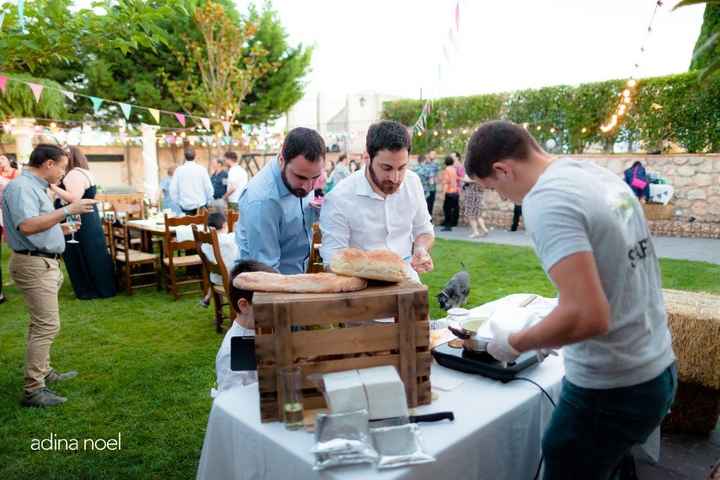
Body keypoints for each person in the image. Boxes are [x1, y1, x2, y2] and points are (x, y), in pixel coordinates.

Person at [464, 121, 676, 479]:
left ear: (503, 169)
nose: (503, 198)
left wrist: (514, 343)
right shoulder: (590, 173)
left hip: (612, 386)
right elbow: (612, 275)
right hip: (656, 366)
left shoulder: (546, 200)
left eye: (495, 189)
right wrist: (551, 326)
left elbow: (588, 316)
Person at [1, 144, 97, 407]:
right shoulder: (22, 187)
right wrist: (67, 210)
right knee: (46, 326)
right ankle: (33, 390)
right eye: (62, 168)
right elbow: (28, 226)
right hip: (33, 264)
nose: (63, 174)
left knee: (40, 324)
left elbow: (39, 223)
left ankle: (42, 372)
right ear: (48, 164)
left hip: (42, 262)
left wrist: (61, 228)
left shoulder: (33, 187)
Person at [320, 120, 434, 283]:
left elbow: (424, 230)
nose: (395, 178)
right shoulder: (339, 198)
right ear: (367, 157)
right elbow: (332, 260)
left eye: (402, 167)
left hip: (407, 278)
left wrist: (421, 249)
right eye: (387, 168)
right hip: (360, 285)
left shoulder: (413, 181)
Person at [235, 127, 325, 274]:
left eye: (315, 177)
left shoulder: (299, 172)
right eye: (301, 178)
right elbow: (267, 273)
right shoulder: (262, 201)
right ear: (282, 160)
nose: (309, 187)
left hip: (295, 277)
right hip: (268, 287)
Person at [51, 146, 116, 300]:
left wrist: (53, 187)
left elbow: (74, 198)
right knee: (93, 252)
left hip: (78, 218)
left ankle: (89, 289)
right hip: (88, 218)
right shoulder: (84, 172)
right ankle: (102, 288)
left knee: (79, 252)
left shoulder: (74, 174)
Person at [215, 260, 277, 393]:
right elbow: (231, 400)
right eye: (269, 302)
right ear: (244, 305)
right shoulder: (236, 349)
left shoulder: (264, 330)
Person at [199, 211, 239, 308]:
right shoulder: (230, 239)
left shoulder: (205, 242)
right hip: (231, 279)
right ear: (225, 225)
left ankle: (207, 297)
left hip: (215, 278)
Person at [170, 147, 213, 215]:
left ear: (185, 156)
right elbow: (209, 188)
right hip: (200, 207)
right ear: (195, 156)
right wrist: (208, 201)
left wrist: (178, 202)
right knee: (201, 225)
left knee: (186, 226)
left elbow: (173, 190)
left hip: (185, 208)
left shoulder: (179, 170)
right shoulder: (201, 169)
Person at [414, 152, 440, 216]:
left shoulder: (414, 169)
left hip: (417, 192)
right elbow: (431, 182)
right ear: (424, 160)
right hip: (427, 192)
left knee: (418, 209)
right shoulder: (427, 169)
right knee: (428, 209)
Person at [440, 156, 459, 231]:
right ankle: (450, 223)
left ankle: (448, 226)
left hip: (449, 192)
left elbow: (446, 182)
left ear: (445, 162)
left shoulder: (447, 170)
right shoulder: (454, 169)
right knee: (452, 209)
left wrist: (443, 194)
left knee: (446, 209)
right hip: (454, 191)